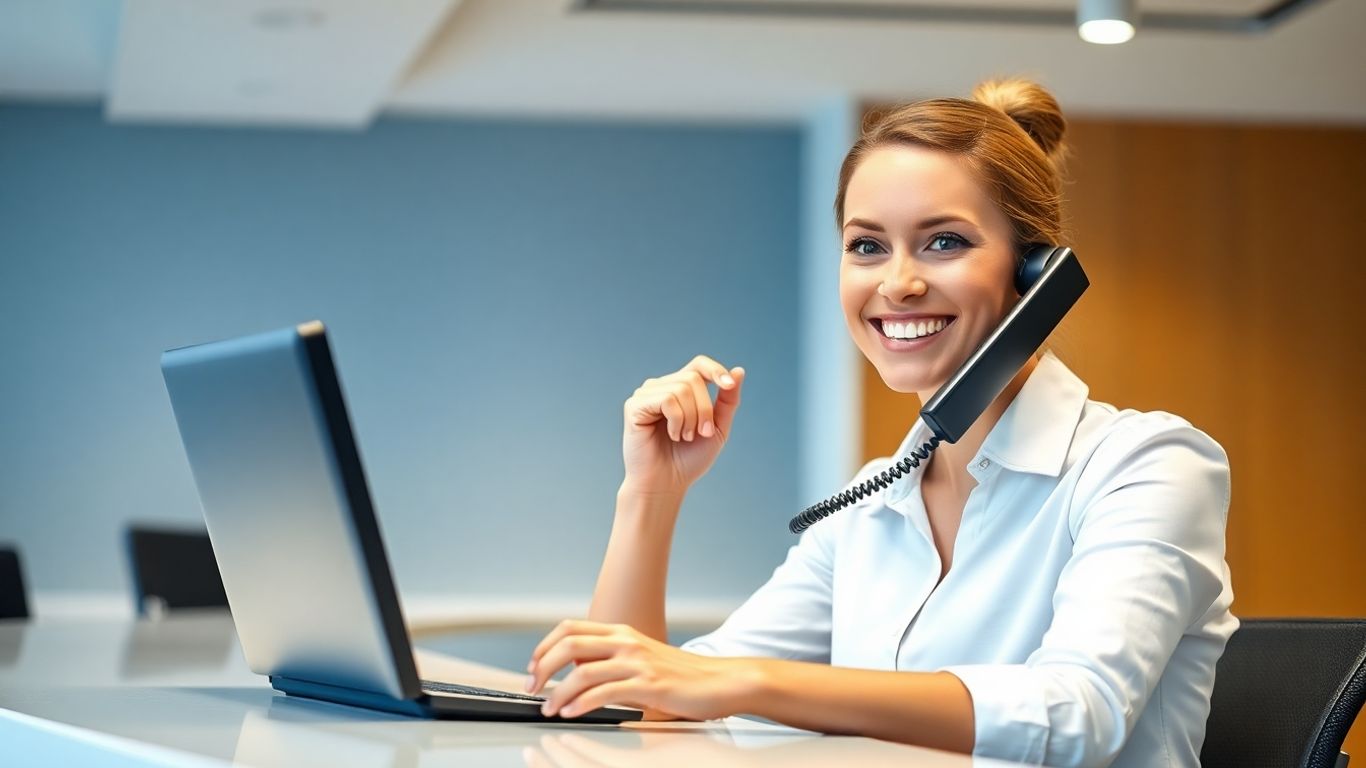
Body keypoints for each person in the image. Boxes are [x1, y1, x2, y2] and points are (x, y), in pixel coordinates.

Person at [523, 78, 1235, 768]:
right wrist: (651, 494)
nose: (897, 283)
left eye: (944, 242)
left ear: (1036, 273)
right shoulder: (872, 506)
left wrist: (750, 683)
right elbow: (645, 707)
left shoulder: (1149, 464)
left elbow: (1080, 713)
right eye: (867, 246)